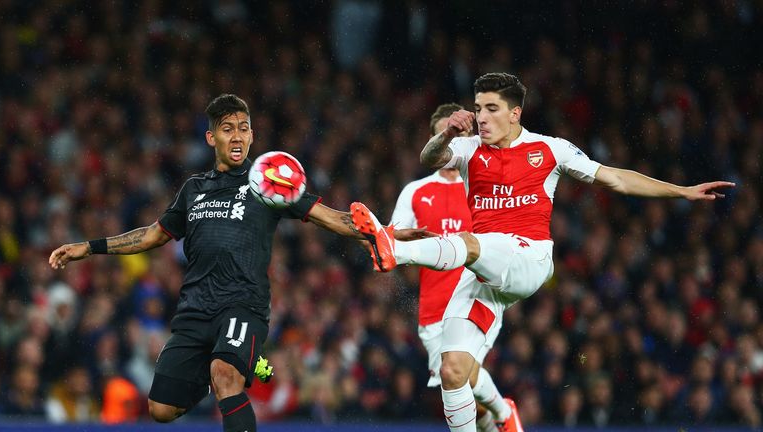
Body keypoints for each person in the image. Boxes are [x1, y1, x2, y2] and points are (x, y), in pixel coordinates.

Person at [350, 72, 735, 432]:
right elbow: (429, 160)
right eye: (478, 107)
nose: (481, 117)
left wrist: (681, 191)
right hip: (485, 274)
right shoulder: (468, 149)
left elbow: (616, 178)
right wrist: (447, 134)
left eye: (491, 109)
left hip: (529, 258)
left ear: (515, 113)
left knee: (469, 244)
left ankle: (395, 251)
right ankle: (500, 416)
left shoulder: (550, 149)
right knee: (452, 370)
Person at [49, 94, 430, 432]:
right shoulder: (193, 190)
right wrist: (89, 247)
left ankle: (233, 361)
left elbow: (332, 217)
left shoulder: (267, 182)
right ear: (210, 138)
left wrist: (387, 232)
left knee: (225, 374)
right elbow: (152, 235)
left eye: (244, 129)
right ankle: (238, 359)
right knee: (161, 409)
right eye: (227, 129)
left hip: (242, 303)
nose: (237, 136)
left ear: (252, 137)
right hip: (195, 310)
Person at [391, 103, 521, 432]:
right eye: (443, 136)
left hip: (476, 296)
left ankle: (505, 416)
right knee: (467, 402)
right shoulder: (416, 191)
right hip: (434, 311)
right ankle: (500, 415)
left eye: (458, 133)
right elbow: (391, 242)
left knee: (457, 371)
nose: (451, 143)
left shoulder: (488, 185)